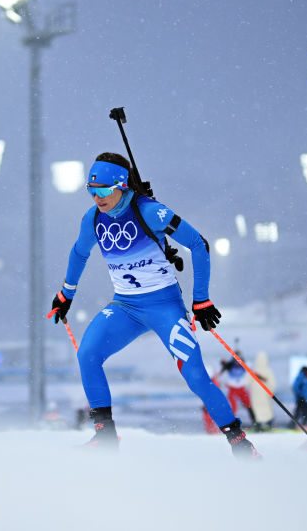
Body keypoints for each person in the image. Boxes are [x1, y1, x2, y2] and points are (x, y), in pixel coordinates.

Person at [50, 152, 260, 459]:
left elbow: (198, 244)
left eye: (105, 190)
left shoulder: (150, 212)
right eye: (92, 191)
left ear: (122, 185)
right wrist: (66, 294)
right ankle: (105, 436)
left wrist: (201, 299)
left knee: (196, 376)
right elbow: (79, 252)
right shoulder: (92, 219)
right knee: (88, 354)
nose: (98, 198)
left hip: (165, 308)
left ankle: (240, 443)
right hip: (125, 308)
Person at [219, 352, 255, 425]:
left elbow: (252, 370)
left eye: (238, 361)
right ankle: (231, 423)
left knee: (248, 405)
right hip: (232, 389)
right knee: (233, 407)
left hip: (241, 389)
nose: (237, 364)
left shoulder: (244, 365)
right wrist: (223, 363)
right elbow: (222, 370)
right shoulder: (229, 365)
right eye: (235, 361)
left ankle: (255, 422)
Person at [246, 351, 276, 431]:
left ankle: (262, 424)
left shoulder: (263, 371)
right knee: (262, 410)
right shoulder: (255, 371)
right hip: (259, 395)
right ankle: (264, 424)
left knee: (263, 410)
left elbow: (246, 382)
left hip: (261, 395)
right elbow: (246, 381)